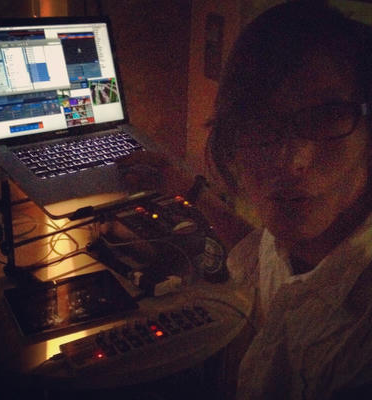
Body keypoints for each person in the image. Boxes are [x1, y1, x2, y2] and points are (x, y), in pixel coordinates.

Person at [120, 1, 372, 399]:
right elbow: (261, 254)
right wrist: (188, 189)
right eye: (260, 122)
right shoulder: (304, 238)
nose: (292, 161)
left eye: (327, 116)